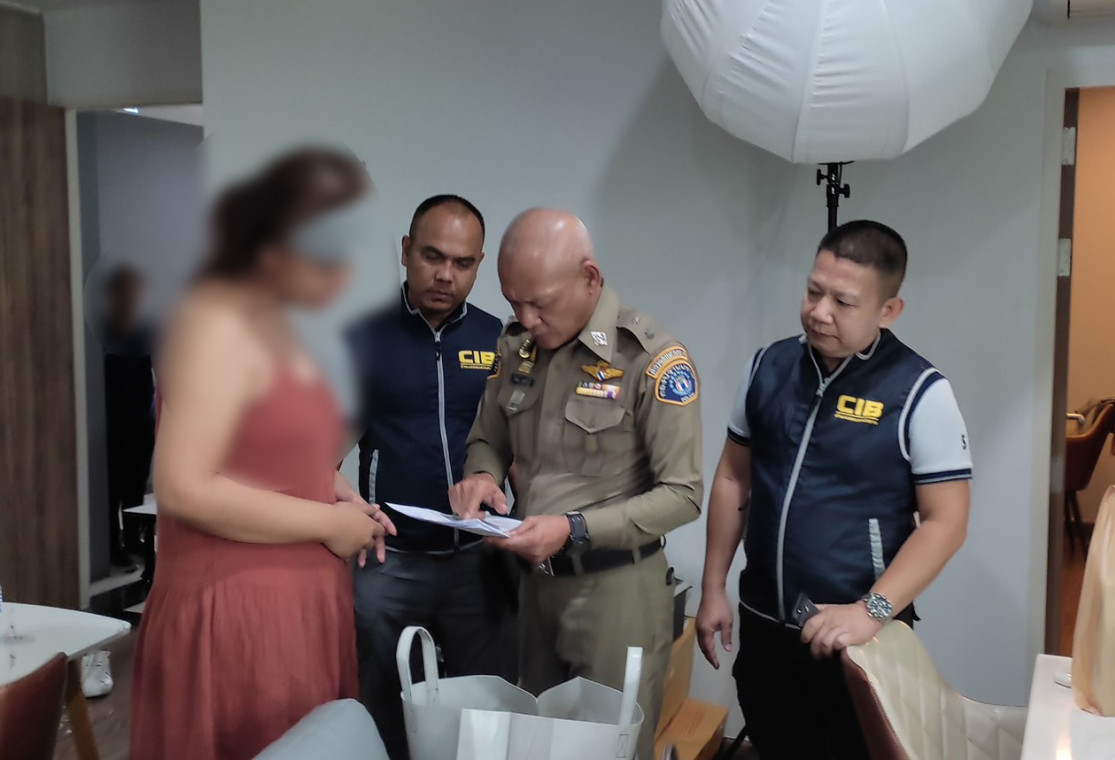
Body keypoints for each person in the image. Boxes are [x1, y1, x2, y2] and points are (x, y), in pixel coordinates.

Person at [131, 147, 396, 760]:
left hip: (298, 609)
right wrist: (327, 523)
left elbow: (261, 452)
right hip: (241, 620)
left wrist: (333, 488)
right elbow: (185, 484)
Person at [696, 220, 972, 759]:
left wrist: (870, 611)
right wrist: (712, 588)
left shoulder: (920, 392)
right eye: (812, 291)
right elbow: (733, 477)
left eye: (843, 302)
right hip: (764, 623)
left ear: (888, 310)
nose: (820, 312)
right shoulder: (768, 366)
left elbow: (947, 522)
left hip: (857, 639)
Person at [449, 208, 703, 760]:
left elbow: (683, 496)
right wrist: (481, 476)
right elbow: (488, 437)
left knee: (608, 749)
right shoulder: (516, 348)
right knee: (534, 746)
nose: (526, 317)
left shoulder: (651, 360)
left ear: (589, 277)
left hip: (616, 595)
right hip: (534, 589)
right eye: (513, 301)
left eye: (539, 302)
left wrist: (574, 528)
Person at [347, 195, 512, 760]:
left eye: (463, 263)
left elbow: (512, 440)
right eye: (433, 256)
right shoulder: (363, 338)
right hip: (390, 557)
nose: (446, 274)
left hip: (477, 557)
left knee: (482, 701)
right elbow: (321, 451)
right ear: (406, 251)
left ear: (479, 265)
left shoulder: (498, 339)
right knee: (382, 696)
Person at [102, 263, 155, 573]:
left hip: (141, 420)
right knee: (112, 489)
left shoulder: (145, 329)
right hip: (111, 423)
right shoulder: (102, 330)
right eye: (126, 290)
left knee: (136, 483)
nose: (132, 296)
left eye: (136, 291)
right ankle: (111, 546)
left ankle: (135, 539)